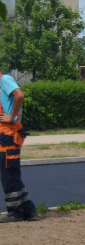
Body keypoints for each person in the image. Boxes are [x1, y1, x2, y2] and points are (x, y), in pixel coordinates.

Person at [1, 71, 37, 222]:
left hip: (9, 135)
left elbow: (20, 95)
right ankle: (28, 209)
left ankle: (15, 212)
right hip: (6, 135)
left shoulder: (5, 80)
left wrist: (12, 116)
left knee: (8, 174)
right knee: (11, 173)